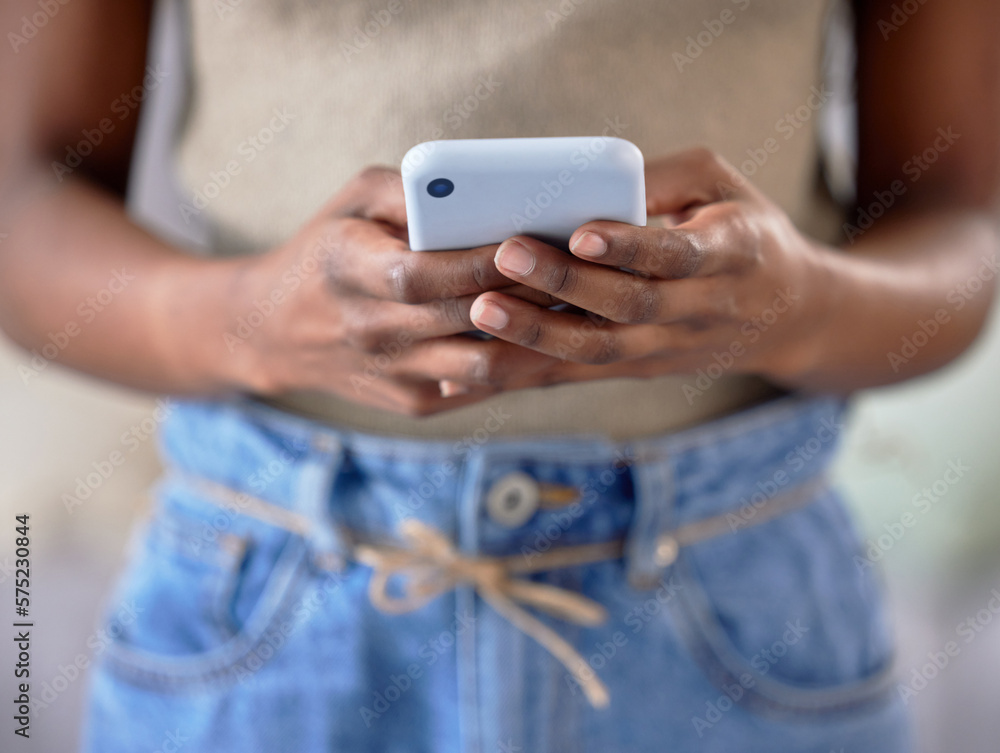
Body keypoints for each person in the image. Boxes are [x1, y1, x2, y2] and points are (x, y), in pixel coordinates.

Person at [1, 0, 997, 750]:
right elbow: (23, 204)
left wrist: (798, 303)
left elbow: (962, 222)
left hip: (736, 602)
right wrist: (251, 323)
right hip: (273, 599)